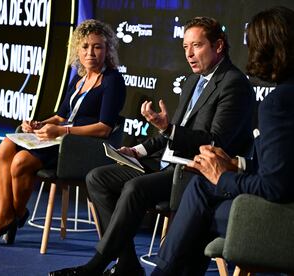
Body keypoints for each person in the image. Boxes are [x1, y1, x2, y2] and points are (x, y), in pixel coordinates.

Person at [49, 16, 256, 276]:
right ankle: (127, 264)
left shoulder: (233, 84)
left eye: (197, 46)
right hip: (166, 165)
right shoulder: (193, 81)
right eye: (185, 47)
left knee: (135, 187)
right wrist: (138, 151)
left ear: (218, 46)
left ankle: (95, 266)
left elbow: (215, 143)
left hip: (194, 175)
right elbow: (174, 132)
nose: (189, 54)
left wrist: (168, 129)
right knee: (98, 178)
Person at [151, 6, 294, 276]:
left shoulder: (278, 103)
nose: (249, 53)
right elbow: (285, 167)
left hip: (282, 220)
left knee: (203, 194)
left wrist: (222, 177)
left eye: (251, 45)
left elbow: (277, 187)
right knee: (200, 195)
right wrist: (237, 163)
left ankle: (162, 272)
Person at [0, 19, 126, 245]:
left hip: (79, 148)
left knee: (20, 163)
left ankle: (9, 216)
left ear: (107, 50)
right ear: (77, 49)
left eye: (97, 47)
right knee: (6, 145)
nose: (91, 53)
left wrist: (63, 130)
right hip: (59, 138)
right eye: (85, 47)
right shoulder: (79, 77)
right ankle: (7, 214)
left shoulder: (113, 81)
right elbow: (60, 115)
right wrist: (38, 124)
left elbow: (104, 129)